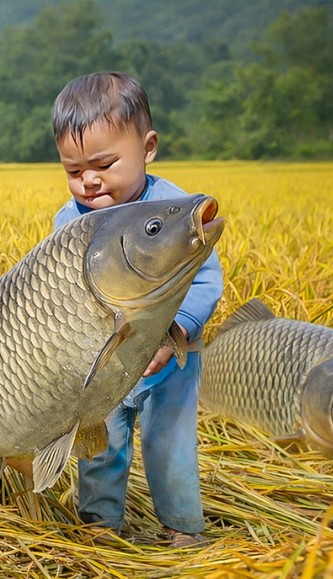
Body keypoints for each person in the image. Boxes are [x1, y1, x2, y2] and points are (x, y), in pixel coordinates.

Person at [50, 72, 223, 548]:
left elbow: (205, 279)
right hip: (102, 364)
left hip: (169, 363)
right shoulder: (68, 221)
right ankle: (101, 525)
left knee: (169, 446)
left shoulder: (172, 210)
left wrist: (176, 333)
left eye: (104, 164)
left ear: (147, 148)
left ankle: (183, 527)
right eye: (73, 169)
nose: (88, 180)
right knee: (100, 446)